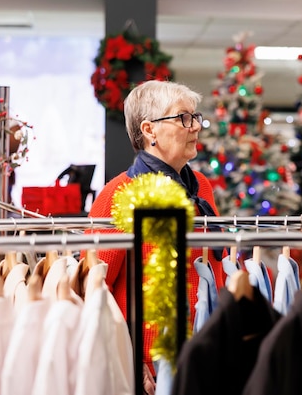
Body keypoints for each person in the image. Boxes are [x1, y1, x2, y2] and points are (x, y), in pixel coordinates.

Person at [86, 80, 225, 395]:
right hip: (147, 364)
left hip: (201, 351)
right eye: (183, 118)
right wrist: (126, 356)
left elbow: (213, 265)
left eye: (196, 117)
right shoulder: (118, 193)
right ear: (149, 130)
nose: (196, 127)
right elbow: (94, 289)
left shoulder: (200, 186)